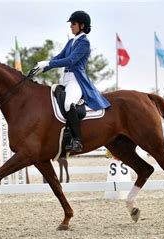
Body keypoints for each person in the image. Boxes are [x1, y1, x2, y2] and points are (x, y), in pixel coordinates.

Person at [34, 10, 111, 153]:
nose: (71, 26)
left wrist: (49, 64)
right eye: (71, 24)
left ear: (82, 26)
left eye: (73, 24)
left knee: (69, 103)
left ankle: (77, 140)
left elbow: (70, 60)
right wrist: (42, 67)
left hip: (76, 80)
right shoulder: (71, 42)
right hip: (64, 80)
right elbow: (59, 57)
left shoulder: (84, 43)